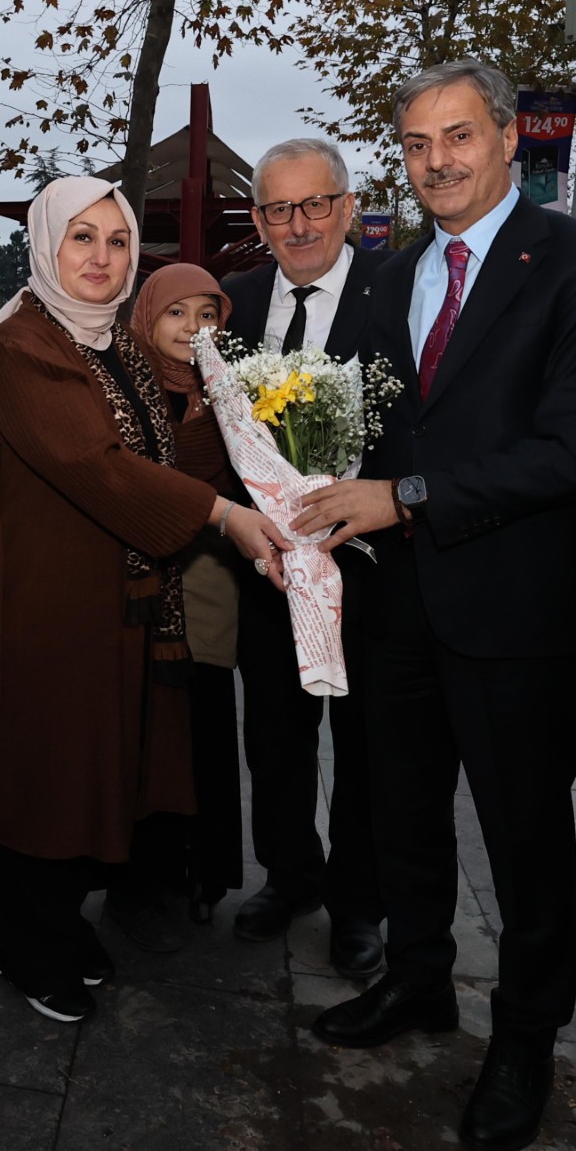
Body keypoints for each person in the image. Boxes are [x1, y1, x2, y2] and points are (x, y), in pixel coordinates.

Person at [293, 60, 576, 1151]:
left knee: (527, 837)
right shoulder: (387, 276)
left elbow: (569, 450)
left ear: (505, 139)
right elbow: (365, 427)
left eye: (458, 136)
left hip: (512, 611)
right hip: (394, 606)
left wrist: (407, 497)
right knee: (402, 813)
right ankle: (420, 979)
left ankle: (526, 1042)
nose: (436, 160)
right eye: (416, 142)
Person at [0, 178, 289, 1023]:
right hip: (41, 609)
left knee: (90, 778)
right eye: (80, 238)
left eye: (117, 241)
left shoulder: (117, 348)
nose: (100, 258)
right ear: (47, 246)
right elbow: (99, 467)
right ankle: (28, 952)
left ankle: (58, 926)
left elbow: (166, 455)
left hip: (114, 602)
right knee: (35, 786)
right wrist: (224, 515)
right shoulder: (22, 346)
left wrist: (258, 411)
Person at [222, 139, 389, 977]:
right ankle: (290, 877)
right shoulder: (237, 301)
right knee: (276, 737)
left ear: (349, 206)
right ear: (258, 221)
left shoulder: (396, 292)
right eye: (279, 209)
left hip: (371, 572)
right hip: (268, 569)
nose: (299, 224)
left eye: (316, 204)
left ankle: (361, 904)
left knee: (365, 744)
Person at [117, 263, 244, 942]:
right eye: (176, 313)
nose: (192, 328)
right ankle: (138, 872)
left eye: (207, 314)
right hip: (138, 587)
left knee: (205, 727)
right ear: (148, 318)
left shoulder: (234, 390)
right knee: (143, 727)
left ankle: (205, 870)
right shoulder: (121, 386)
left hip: (206, 585)